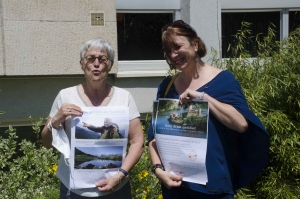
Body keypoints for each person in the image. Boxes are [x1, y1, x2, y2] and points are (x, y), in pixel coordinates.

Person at [147, 20, 269, 199]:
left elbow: (241, 124)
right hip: (175, 186)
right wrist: (158, 170)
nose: (173, 55)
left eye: (177, 47)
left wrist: (203, 97)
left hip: (212, 188)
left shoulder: (223, 80)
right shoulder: (167, 86)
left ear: (195, 45)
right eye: (168, 51)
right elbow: (153, 137)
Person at [41, 38, 144, 198]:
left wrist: (120, 175)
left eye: (102, 59)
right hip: (73, 190)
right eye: (90, 59)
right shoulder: (65, 96)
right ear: (82, 63)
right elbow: (47, 143)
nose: (96, 64)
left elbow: (137, 142)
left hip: (117, 189)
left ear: (109, 65)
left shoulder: (125, 98)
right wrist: (54, 122)